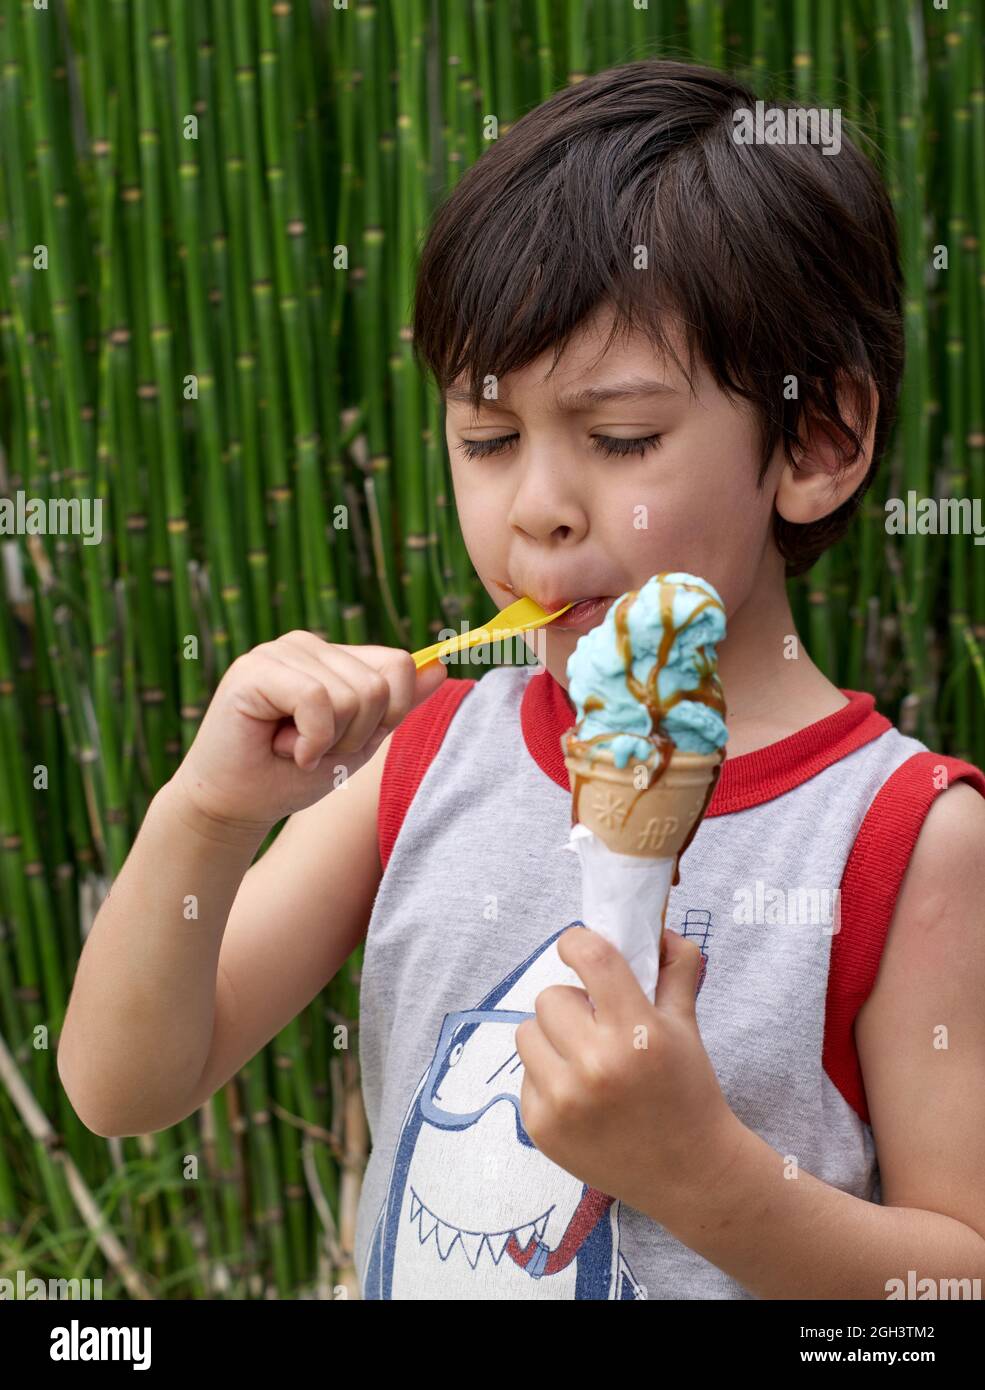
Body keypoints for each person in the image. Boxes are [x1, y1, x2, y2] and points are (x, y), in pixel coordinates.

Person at [58, 60, 985, 1300]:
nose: (537, 510)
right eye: (487, 441)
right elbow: (126, 1086)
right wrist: (208, 815)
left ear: (816, 441)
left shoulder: (900, 839)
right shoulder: (433, 748)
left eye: (619, 440)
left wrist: (699, 1171)